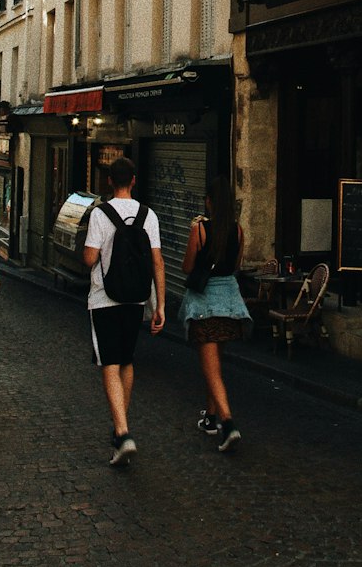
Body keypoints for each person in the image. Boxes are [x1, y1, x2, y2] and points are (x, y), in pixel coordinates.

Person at [83, 157, 165, 467]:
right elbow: (158, 262)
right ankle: (122, 428)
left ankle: (122, 430)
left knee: (109, 363)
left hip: (105, 298)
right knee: (127, 361)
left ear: (109, 181)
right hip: (136, 299)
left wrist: (89, 252)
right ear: (133, 180)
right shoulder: (149, 215)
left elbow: (90, 257)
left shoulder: (100, 215)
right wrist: (160, 306)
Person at [178, 177, 250, 453]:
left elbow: (187, 267)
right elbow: (237, 265)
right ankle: (210, 418)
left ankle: (228, 423)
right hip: (230, 305)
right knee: (215, 366)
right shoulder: (239, 231)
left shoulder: (199, 229)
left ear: (209, 201)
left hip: (205, 305)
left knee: (211, 368)